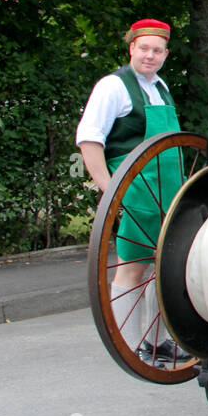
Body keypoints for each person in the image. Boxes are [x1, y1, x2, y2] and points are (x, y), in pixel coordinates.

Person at [75, 18, 185, 365]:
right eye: (144, 49)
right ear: (131, 49)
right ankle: (128, 342)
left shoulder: (161, 86)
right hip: (138, 189)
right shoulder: (113, 86)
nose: (150, 56)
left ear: (165, 54)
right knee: (132, 265)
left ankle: (159, 341)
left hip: (169, 188)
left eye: (157, 50)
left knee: (163, 265)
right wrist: (110, 192)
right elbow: (89, 139)